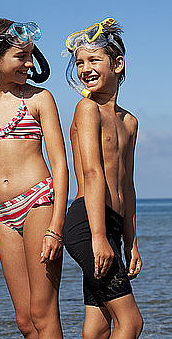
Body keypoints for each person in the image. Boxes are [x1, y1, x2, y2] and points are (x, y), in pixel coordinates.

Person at [0, 18, 68, 339]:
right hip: (1, 214)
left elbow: (61, 165)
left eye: (31, 55)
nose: (28, 64)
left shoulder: (39, 99)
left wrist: (55, 227)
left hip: (39, 203)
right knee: (24, 320)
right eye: (20, 57)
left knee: (43, 312)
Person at [62, 18, 143, 339]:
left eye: (94, 60)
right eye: (80, 62)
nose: (85, 68)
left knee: (97, 327)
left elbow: (127, 186)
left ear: (118, 64)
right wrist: (98, 237)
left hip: (111, 226)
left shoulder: (130, 122)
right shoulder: (87, 109)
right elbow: (93, 172)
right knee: (131, 322)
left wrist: (131, 242)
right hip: (87, 223)